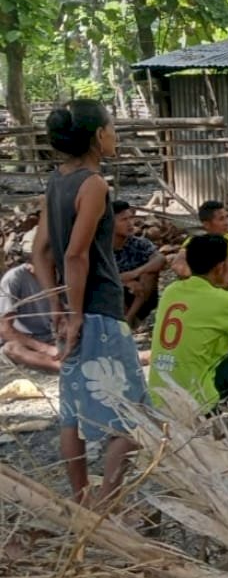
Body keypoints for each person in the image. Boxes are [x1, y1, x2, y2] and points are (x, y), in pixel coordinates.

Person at [32, 99, 147, 508]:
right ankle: (104, 508)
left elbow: (40, 253)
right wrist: (77, 313)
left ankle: (82, 500)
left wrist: (57, 310)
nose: (115, 134)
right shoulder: (94, 184)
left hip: (73, 309)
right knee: (133, 418)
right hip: (98, 309)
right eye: (113, 127)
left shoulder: (55, 182)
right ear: (99, 135)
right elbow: (75, 255)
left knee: (73, 412)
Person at [148, 233, 228, 414]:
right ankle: (217, 407)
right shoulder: (225, 301)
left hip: (158, 394)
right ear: (220, 267)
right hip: (195, 398)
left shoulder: (171, 290)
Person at [171, 199, 228, 300]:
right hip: (198, 292)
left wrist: (223, 283)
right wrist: (207, 281)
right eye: (221, 219)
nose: (227, 222)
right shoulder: (195, 242)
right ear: (207, 224)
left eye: (227, 218)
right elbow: (177, 264)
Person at [112, 200, 166, 329]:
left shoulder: (139, 243)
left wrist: (134, 273)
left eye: (131, 218)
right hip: (114, 295)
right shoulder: (101, 248)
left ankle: (129, 319)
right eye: (123, 220)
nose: (130, 223)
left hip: (141, 296)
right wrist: (124, 282)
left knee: (149, 273)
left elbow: (160, 259)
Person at [0, 260, 60, 373]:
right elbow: (5, 330)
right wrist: (45, 349)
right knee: (11, 348)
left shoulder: (60, 273)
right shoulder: (13, 278)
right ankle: (61, 366)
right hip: (26, 340)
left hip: (53, 335)